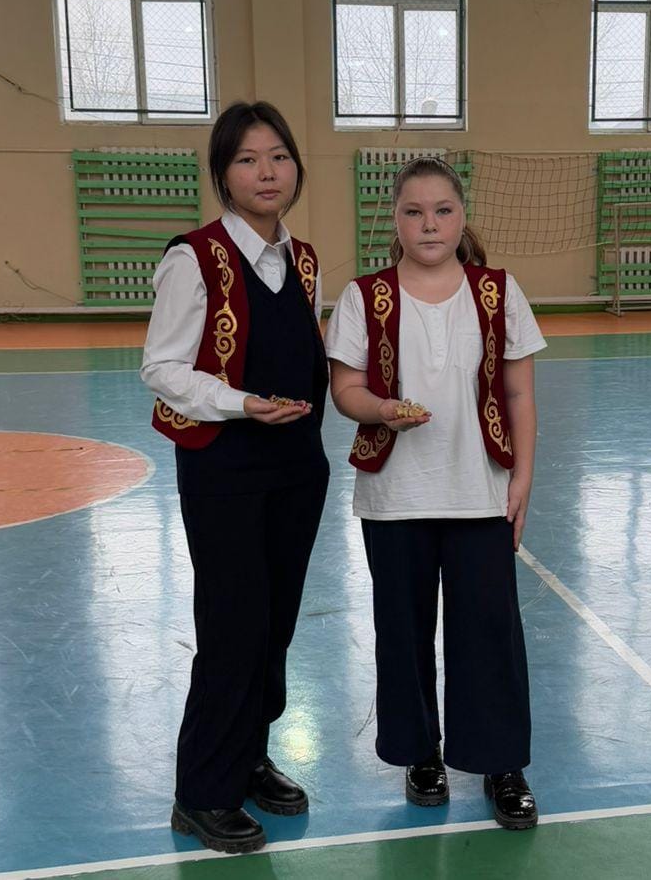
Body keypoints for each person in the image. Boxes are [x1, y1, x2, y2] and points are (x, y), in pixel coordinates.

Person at [324, 156, 546, 830]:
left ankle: (500, 763)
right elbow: (344, 389)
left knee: (490, 632)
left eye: (443, 210)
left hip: (481, 493)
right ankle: (421, 754)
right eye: (414, 212)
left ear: (461, 216)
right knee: (403, 631)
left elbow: (519, 393)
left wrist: (523, 477)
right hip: (394, 498)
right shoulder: (365, 297)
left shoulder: (498, 292)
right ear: (394, 219)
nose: (429, 224)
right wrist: (381, 410)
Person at [141, 101, 328, 855]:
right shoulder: (194, 258)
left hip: (296, 469)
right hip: (223, 467)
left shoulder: (304, 260)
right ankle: (201, 792)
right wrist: (241, 402)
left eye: (278, 156)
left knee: (275, 625)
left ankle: (248, 755)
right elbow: (161, 367)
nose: (266, 172)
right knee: (232, 625)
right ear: (223, 174)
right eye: (248, 159)